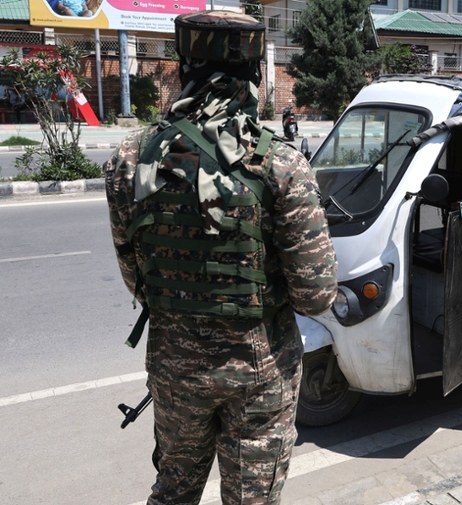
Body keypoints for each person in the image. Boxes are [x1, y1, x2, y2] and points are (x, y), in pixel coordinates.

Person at [104, 11, 337, 504]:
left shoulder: (130, 157)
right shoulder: (280, 163)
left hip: (174, 367)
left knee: (173, 491)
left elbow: (135, 279)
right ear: (253, 74)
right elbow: (316, 296)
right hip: (259, 373)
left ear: (184, 64)